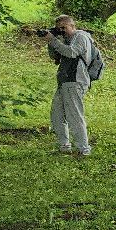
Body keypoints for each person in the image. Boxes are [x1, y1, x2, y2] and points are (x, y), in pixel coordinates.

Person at [46, 15, 99, 157]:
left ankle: (84, 149)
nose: (62, 31)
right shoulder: (64, 40)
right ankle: (64, 146)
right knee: (57, 114)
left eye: (64, 28)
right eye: (59, 29)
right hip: (64, 81)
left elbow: (72, 52)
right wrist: (52, 41)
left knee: (75, 115)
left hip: (76, 80)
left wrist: (53, 40)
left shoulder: (81, 37)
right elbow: (54, 57)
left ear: (73, 26)